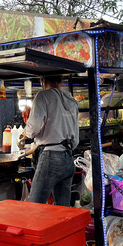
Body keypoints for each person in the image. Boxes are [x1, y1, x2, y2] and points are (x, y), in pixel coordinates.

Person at [23, 74, 79, 206]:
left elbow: (32, 128)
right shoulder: (71, 100)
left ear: (42, 80)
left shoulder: (43, 96)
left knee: (34, 206)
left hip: (50, 158)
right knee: (63, 209)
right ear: (61, 80)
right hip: (68, 158)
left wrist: (26, 133)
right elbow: (76, 139)